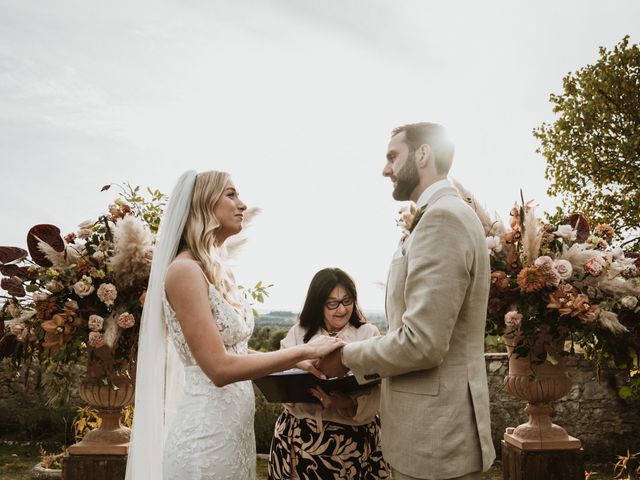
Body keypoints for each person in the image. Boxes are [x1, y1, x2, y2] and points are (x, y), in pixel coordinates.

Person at [125, 170, 344, 480]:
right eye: (231, 194)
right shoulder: (184, 271)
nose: (242, 204)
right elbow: (219, 368)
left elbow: (235, 350)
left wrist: (300, 361)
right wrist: (303, 350)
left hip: (234, 437)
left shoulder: (218, 271)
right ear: (203, 205)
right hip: (204, 441)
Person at [318, 123, 496, 480]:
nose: (386, 169)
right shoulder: (443, 214)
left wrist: (346, 356)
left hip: (436, 442)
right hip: (433, 434)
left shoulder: (442, 219)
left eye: (392, 157)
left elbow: (423, 343)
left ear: (424, 154)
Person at [268, 268, 390, 480]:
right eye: (332, 303)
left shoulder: (367, 334)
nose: (342, 309)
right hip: (297, 438)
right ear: (318, 304)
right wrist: (290, 382)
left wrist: (345, 404)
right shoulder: (299, 332)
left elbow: (379, 389)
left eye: (347, 300)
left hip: (350, 443)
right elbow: (278, 372)